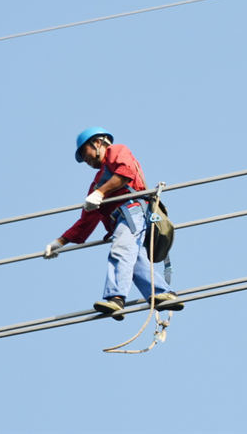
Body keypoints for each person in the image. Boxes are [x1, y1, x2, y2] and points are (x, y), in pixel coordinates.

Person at [44, 127, 182, 319]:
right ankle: (162, 293)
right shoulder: (97, 183)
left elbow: (126, 172)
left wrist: (100, 193)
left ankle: (115, 297)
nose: (85, 160)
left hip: (131, 211)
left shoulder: (116, 151)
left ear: (97, 143)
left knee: (121, 251)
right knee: (134, 262)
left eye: (85, 152)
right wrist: (59, 242)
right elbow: (86, 221)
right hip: (122, 218)